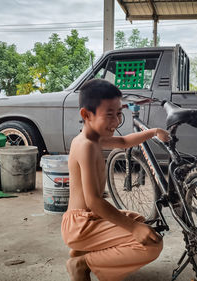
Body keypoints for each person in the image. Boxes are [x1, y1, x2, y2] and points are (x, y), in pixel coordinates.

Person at [61, 79, 170, 281]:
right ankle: (81, 264)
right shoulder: (85, 146)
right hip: (81, 224)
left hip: (89, 218)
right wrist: (133, 229)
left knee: (139, 220)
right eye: (109, 115)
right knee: (151, 244)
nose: (116, 121)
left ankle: (83, 251)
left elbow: (123, 141)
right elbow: (93, 200)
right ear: (86, 115)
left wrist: (153, 132)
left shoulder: (94, 137)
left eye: (119, 113)